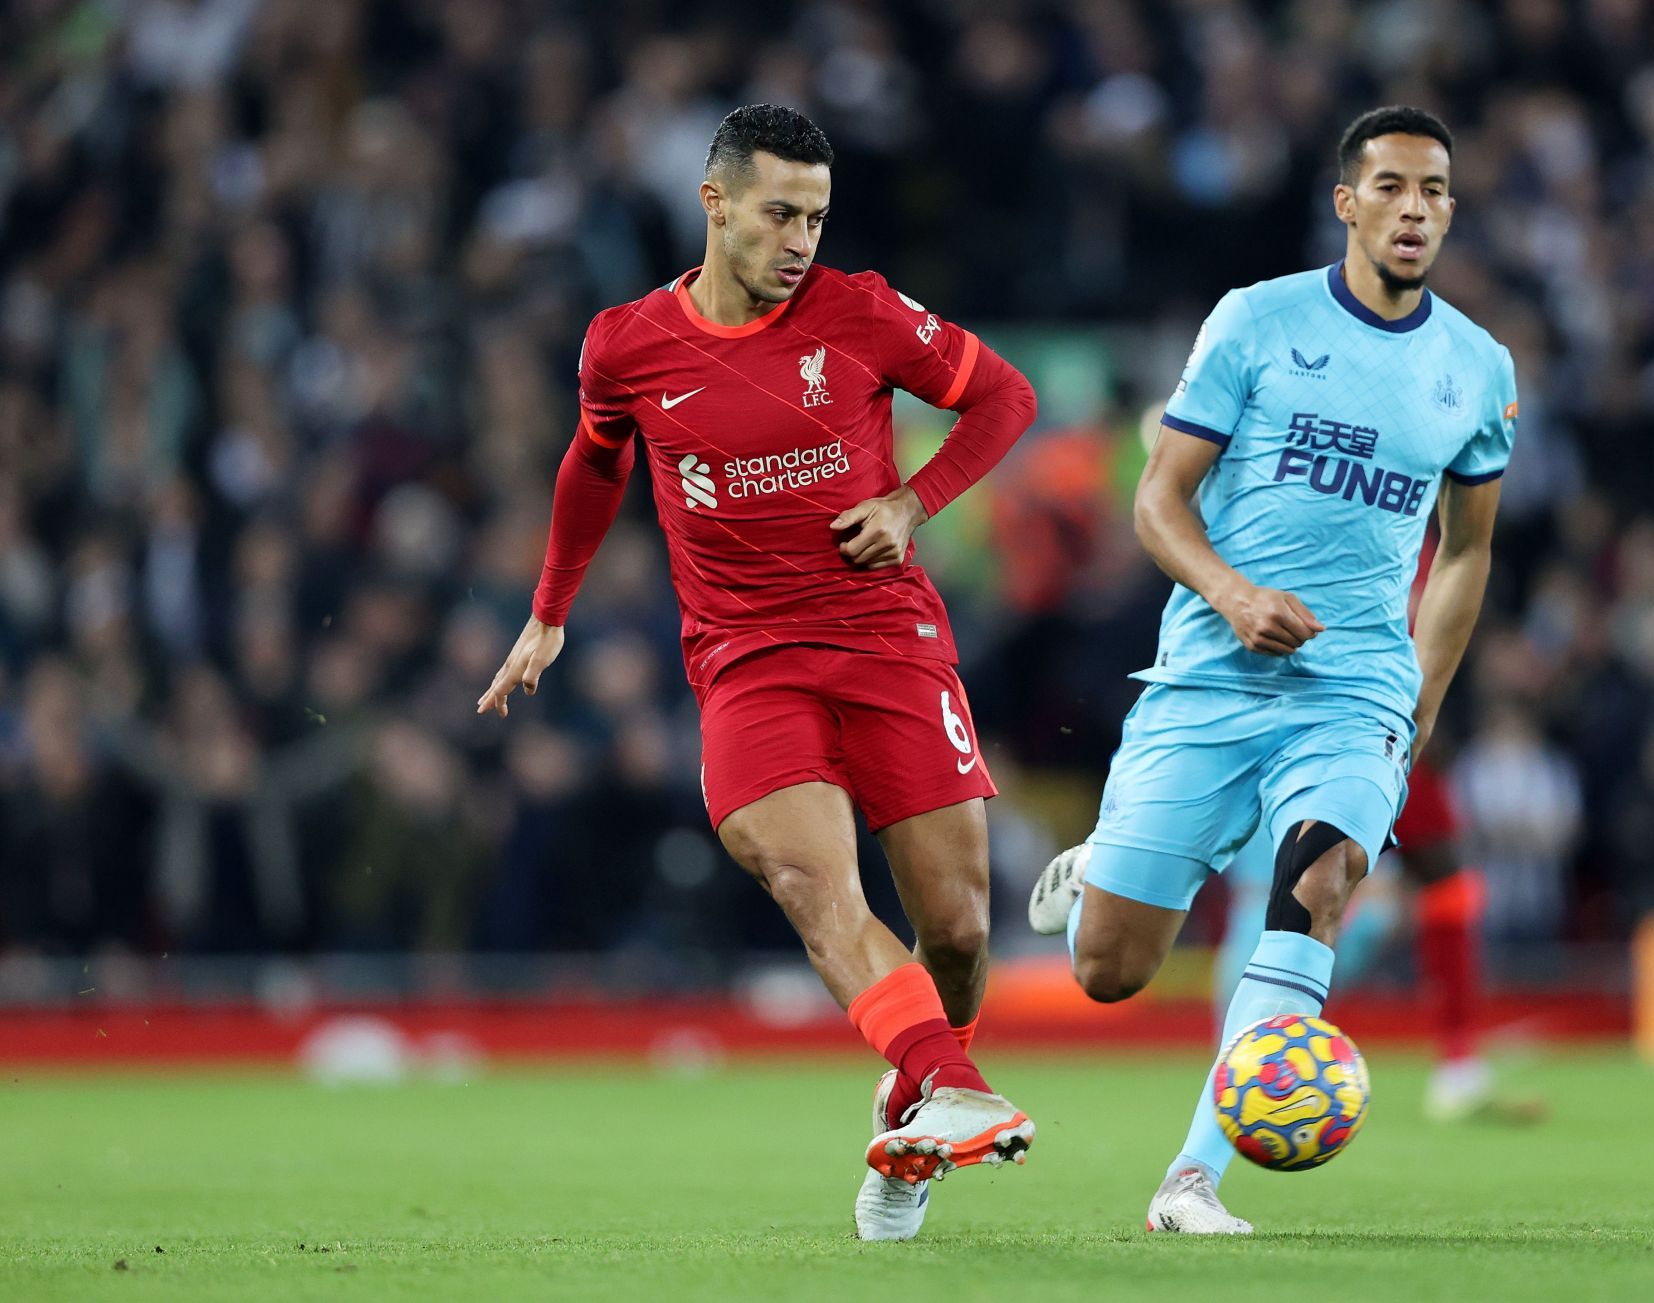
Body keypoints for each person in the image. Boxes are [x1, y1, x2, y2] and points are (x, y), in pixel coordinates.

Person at [478, 105, 1039, 1242]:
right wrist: (549, 614)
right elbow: (592, 466)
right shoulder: (626, 344)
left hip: (888, 640)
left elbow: (1004, 397)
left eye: (817, 219)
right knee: (812, 884)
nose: (800, 241)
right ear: (716, 202)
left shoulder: (862, 311)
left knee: (963, 931)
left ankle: (913, 1101)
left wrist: (911, 500)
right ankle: (946, 1081)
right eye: (781, 213)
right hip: (746, 664)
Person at [1027, 105, 1517, 1232]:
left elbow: (1469, 548)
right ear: (1347, 203)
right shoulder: (1255, 322)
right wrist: (1234, 595)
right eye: (1390, 186)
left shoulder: (1477, 367)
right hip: (1209, 676)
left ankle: (1189, 1179)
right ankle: (1108, 863)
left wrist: (1422, 695)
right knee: (1110, 969)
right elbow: (1158, 501)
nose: (1414, 208)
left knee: (1319, 884)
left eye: (1435, 190)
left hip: (1355, 695)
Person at [1218, 757, 1546, 1125]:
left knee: (1441, 882)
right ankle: (1457, 1069)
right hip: (1365, 730)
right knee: (1439, 881)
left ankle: (1457, 1068)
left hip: (1351, 744)